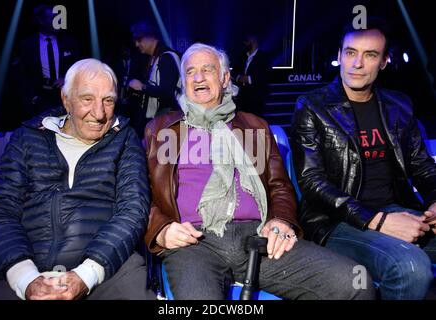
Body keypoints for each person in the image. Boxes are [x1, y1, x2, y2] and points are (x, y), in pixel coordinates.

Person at [143, 43, 375, 300]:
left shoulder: (255, 126)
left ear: (225, 78)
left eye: (207, 69)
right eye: (190, 71)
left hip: (259, 238)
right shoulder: (161, 129)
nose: (198, 78)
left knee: (357, 283)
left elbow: (280, 186)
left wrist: (281, 220)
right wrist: (162, 228)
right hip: (193, 243)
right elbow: (142, 194)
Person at [290, 18, 436, 300]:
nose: (357, 63)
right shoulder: (312, 106)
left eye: (370, 55)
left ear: (384, 62)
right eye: (350, 52)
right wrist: (378, 221)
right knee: (411, 268)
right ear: (339, 57)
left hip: (399, 210)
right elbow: (312, 182)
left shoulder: (399, 104)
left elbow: (421, 165)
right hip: (336, 221)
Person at [0, 58, 154, 300]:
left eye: (108, 101)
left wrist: (86, 275)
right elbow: (0, 210)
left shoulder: (125, 139)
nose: (98, 114)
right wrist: (25, 278)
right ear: (66, 100)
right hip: (29, 267)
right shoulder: (27, 138)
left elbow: (132, 211)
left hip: (105, 270)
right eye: (87, 99)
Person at [15, 4, 82, 121]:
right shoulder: (27, 44)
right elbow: (23, 74)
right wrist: (31, 97)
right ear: (41, 21)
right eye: (53, 18)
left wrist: (66, 78)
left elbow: (79, 66)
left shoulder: (69, 42)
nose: (58, 21)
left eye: (59, 18)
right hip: (40, 97)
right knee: (41, 132)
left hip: (64, 95)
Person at [128, 21, 180, 137]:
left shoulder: (166, 57)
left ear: (150, 37)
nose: (136, 44)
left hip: (169, 119)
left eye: (139, 39)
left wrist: (142, 86)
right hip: (161, 118)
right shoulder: (156, 57)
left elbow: (167, 91)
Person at [233, 33, 270, 117]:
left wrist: (249, 79)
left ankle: (256, 131)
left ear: (254, 41)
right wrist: (239, 78)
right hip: (242, 97)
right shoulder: (242, 56)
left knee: (256, 123)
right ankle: (246, 131)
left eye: (247, 42)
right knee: (244, 122)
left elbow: (266, 75)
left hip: (256, 98)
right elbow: (234, 71)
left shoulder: (263, 57)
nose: (245, 44)